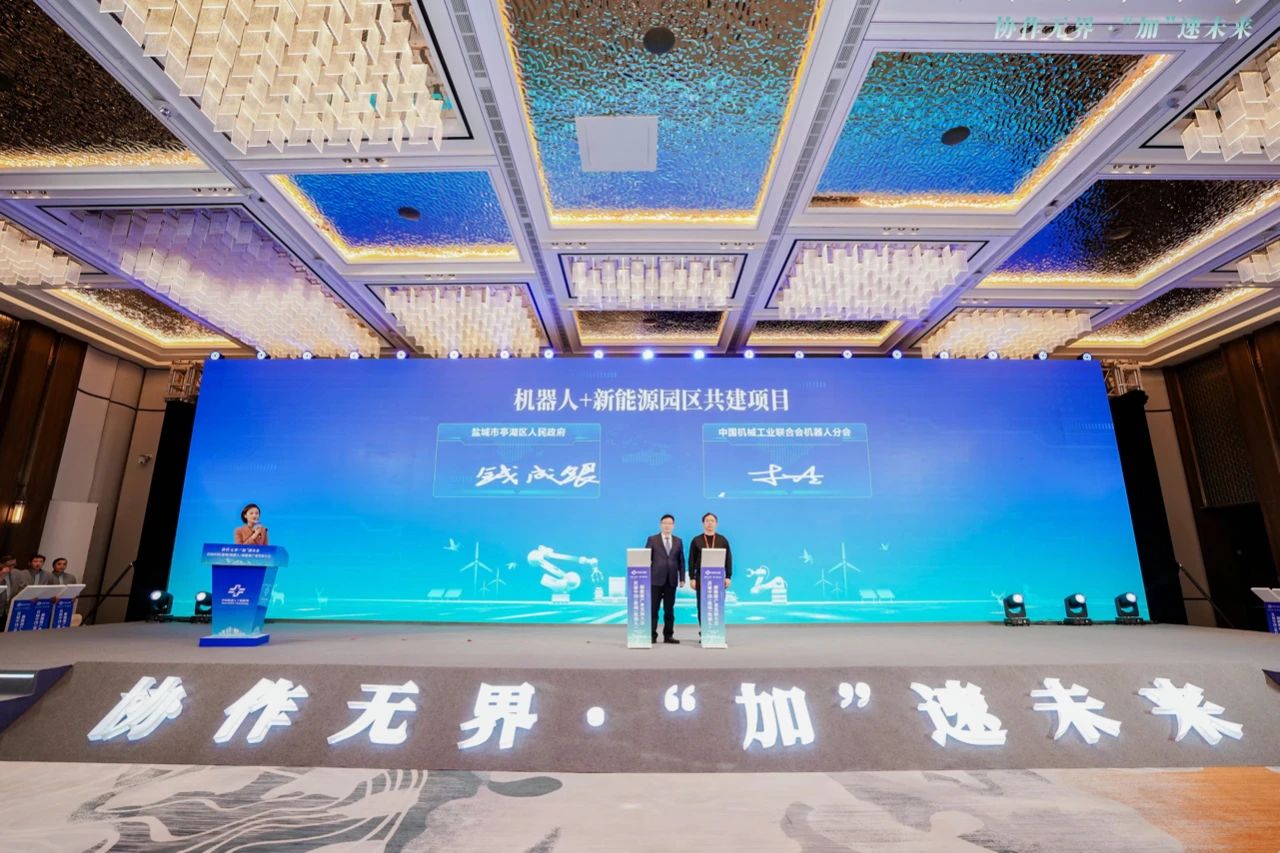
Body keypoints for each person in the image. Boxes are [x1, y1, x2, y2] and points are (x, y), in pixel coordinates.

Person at [644, 514, 685, 644]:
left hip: (671, 580)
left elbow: (681, 560)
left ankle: (668, 635)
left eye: (670, 523)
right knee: (653, 609)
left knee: (669, 610)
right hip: (655, 580)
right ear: (661, 525)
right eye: (665, 523)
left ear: (673, 526)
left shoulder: (678, 541)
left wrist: (682, 578)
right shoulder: (652, 539)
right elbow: (645, 559)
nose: (667, 525)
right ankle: (651, 635)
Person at [688, 512, 732, 626]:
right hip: (701, 577)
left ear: (716, 523)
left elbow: (728, 558)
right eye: (707, 521)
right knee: (702, 604)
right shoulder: (696, 540)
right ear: (703, 523)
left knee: (717, 603)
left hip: (718, 577)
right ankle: (703, 630)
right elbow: (691, 560)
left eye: (712, 521)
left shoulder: (722, 540)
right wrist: (692, 578)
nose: (710, 523)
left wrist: (728, 576)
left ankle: (717, 630)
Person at [0, 555, 32, 628]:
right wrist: (1, 575)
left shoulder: (17, 573)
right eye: (9, 565)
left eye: (14, 565)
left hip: (9, 609)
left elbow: (23, 587)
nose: (12, 567)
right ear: (1, 564)